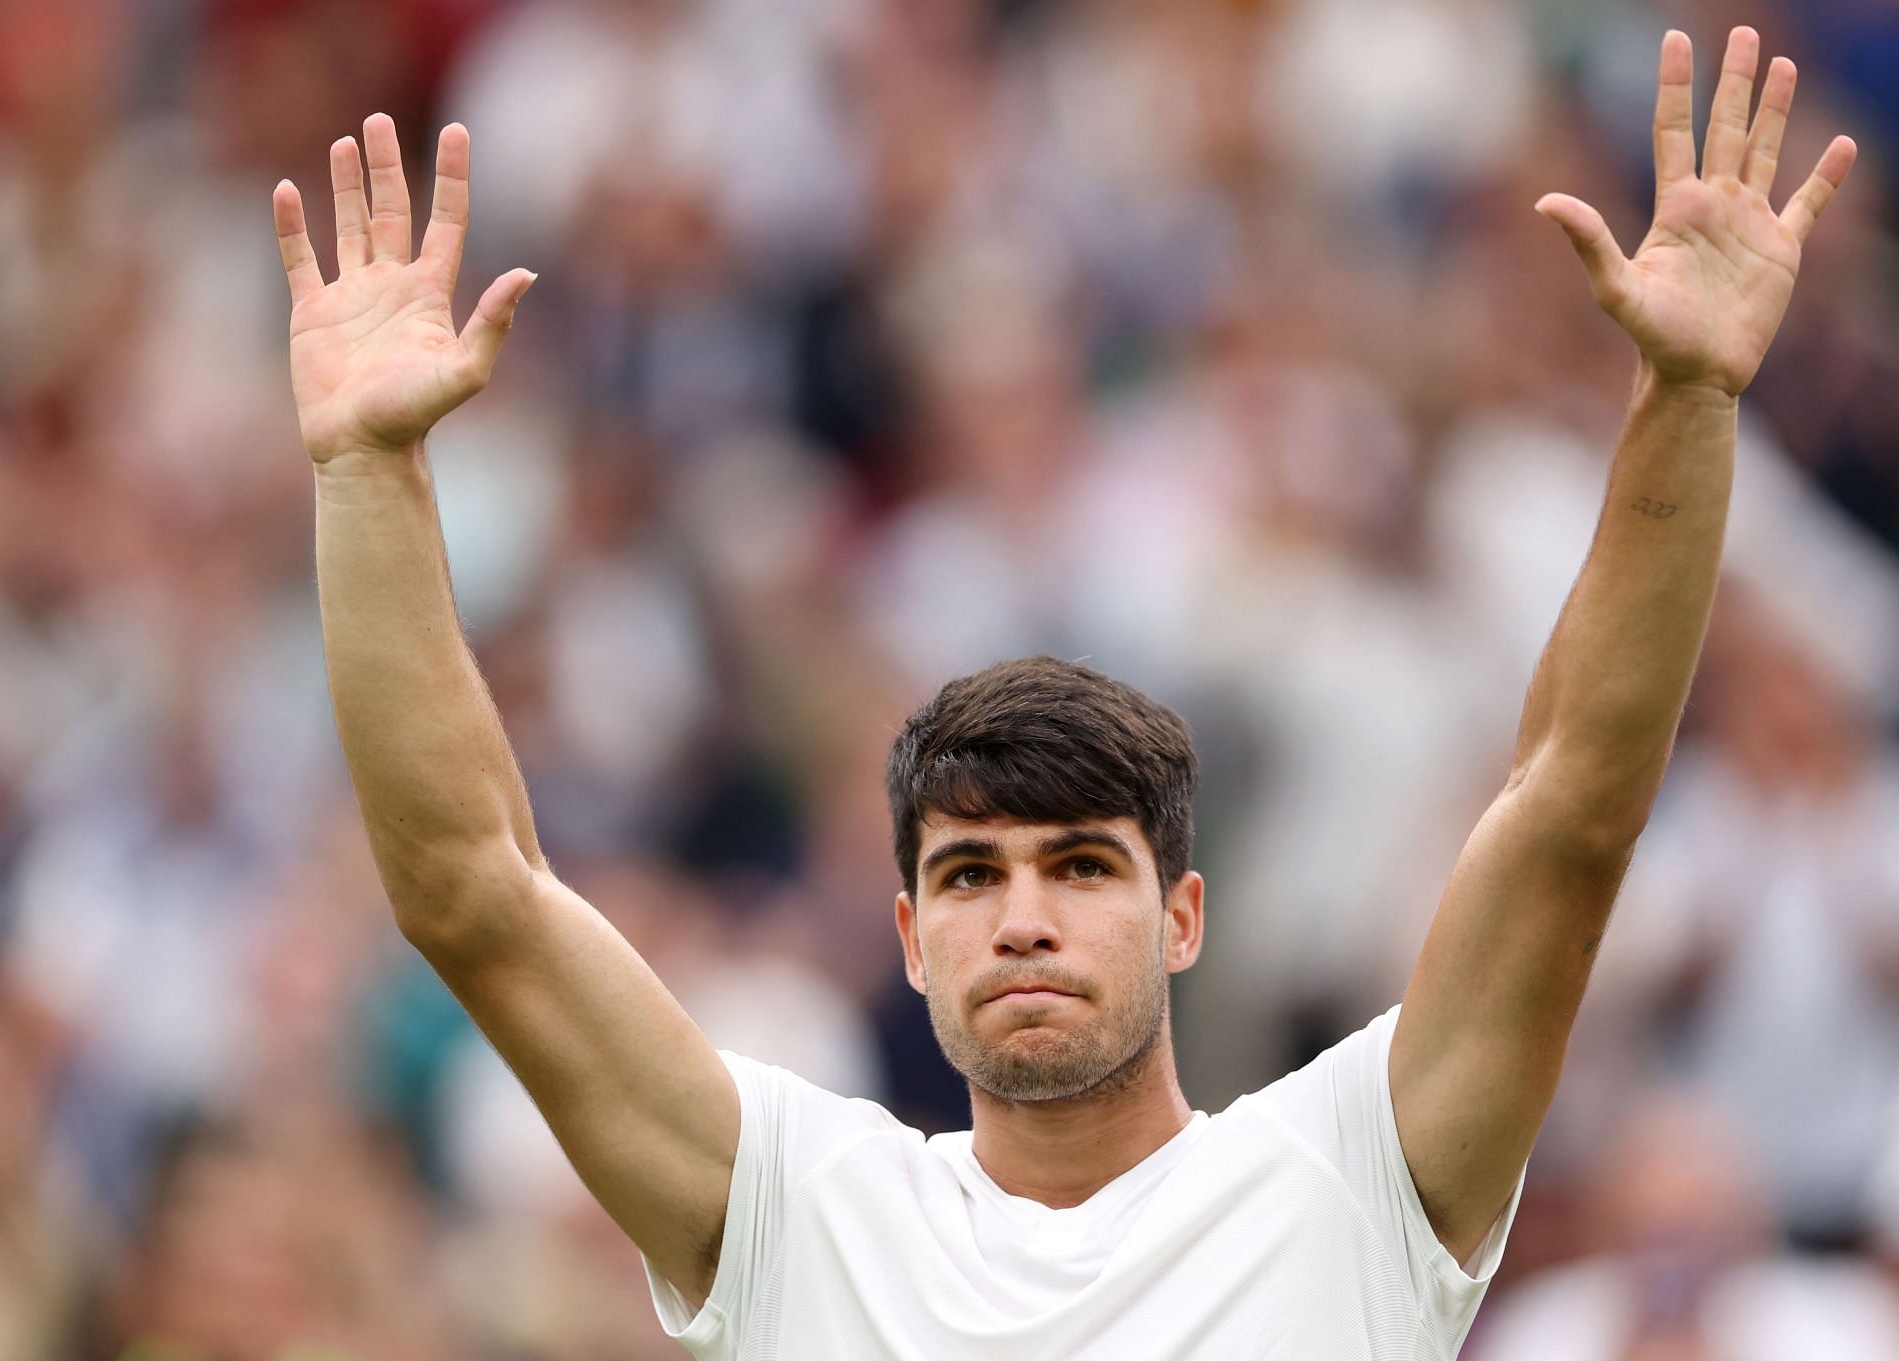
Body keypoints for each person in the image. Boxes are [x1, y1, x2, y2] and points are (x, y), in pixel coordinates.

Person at [270, 26, 1855, 1360]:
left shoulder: (1358, 1168)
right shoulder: (793, 1203)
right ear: (905, 936)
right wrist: (366, 470)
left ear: (1183, 915)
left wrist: (1688, 396)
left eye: (1082, 863)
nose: (1021, 916)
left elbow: (1573, 803)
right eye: (969, 874)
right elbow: (473, 886)